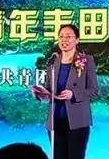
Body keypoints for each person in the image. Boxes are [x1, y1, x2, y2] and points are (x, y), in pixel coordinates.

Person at [31, 24, 99, 159]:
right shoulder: (53, 62)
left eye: (68, 36)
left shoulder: (86, 60)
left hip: (77, 121)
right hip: (55, 120)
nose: (64, 40)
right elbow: (49, 89)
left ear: (77, 40)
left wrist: (73, 94)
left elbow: (94, 90)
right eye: (61, 36)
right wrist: (40, 93)